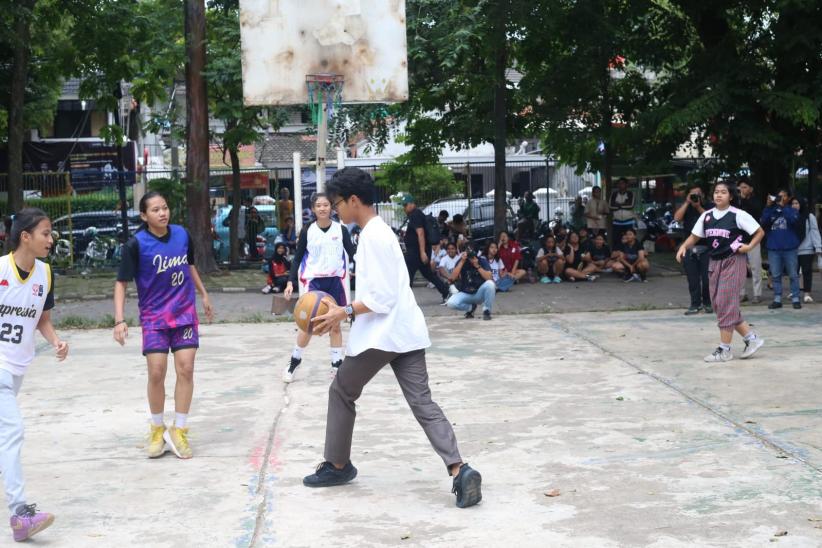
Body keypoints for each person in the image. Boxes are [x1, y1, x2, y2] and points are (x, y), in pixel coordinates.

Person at [303, 168, 482, 509]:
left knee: (341, 391)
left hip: (382, 335)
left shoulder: (373, 236)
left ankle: (338, 465)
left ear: (353, 200)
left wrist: (344, 311)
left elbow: (381, 298)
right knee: (423, 403)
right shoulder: (380, 231)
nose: (335, 210)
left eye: (337, 204)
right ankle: (460, 470)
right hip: (406, 332)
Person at [113, 191, 214, 459]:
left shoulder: (182, 235)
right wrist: (119, 320)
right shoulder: (135, 245)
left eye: (165, 208)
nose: (162, 213)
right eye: (155, 210)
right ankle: (157, 428)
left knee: (186, 368)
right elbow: (121, 283)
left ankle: (179, 429)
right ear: (144, 216)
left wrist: (203, 294)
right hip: (155, 318)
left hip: (184, 314)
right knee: (156, 372)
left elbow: (189, 266)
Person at [0, 208, 68, 542]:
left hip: (17, 368)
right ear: (25, 237)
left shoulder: (45, 274)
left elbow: (42, 319)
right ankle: (20, 514)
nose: (50, 239)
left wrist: (55, 341)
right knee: (13, 431)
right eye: (45, 233)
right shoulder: (1, 270)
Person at [676, 180, 765, 362]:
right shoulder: (706, 216)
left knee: (725, 303)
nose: (719, 195)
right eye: (716, 192)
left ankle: (725, 349)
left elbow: (759, 232)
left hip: (733, 260)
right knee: (719, 304)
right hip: (714, 262)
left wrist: (749, 247)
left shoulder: (738, 215)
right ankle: (751, 338)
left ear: (731, 196)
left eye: (723, 192)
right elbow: (694, 236)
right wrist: (683, 247)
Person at [282, 193, 356, 382]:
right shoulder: (308, 230)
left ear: (331, 207)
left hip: (335, 282)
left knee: (335, 324)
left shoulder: (341, 230)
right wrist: (290, 282)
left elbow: (353, 253)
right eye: (318, 205)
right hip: (314, 283)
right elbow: (297, 258)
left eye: (326, 205)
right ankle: (294, 361)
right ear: (313, 209)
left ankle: (336, 365)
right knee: (307, 325)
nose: (322, 208)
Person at [401, 195, 450, 303]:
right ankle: (446, 291)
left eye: (405, 205)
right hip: (418, 251)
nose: (404, 208)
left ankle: (405, 300)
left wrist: (422, 252)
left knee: (407, 274)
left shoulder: (415, 214)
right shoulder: (416, 214)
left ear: (412, 204)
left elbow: (421, 233)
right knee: (427, 273)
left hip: (416, 252)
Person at [674, 185, 713, 314]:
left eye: (698, 194)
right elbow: (677, 218)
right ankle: (695, 304)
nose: (695, 196)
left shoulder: (709, 206)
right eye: (692, 194)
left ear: (703, 195)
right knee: (693, 279)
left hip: (706, 247)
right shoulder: (686, 207)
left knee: (707, 279)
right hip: (689, 247)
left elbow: (710, 220)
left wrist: (698, 207)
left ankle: (707, 303)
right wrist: (687, 202)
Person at [761, 189, 802, 310]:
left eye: (783, 196)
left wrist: (783, 208)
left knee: (793, 274)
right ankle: (777, 299)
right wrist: (768, 206)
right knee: (775, 275)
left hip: (790, 248)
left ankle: (795, 298)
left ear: (788, 198)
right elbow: (763, 222)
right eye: (779, 196)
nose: (781, 198)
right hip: (774, 248)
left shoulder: (792, 210)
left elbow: (793, 220)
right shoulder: (771, 210)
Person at [446, 250, 496, 320]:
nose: (471, 257)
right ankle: (471, 308)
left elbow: (489, 278)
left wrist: (477, 266)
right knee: (451, 303)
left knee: (490, 284)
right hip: (466, 293)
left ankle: (487, 311)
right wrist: (462, 261)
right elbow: (452, 278)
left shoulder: (482, 261)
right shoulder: (462, 261)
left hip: (479, 293)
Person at [737, 178, 764, 303]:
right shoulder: (736, 201)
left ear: (751, 189)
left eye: (745, 187)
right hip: (739, 239)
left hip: (753, 239)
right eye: (740, 187)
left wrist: (743, 200)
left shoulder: (755, 201)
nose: (742, 190)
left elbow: (755, 213)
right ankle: (742, 293)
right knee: (740, 268)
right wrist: (740, 200)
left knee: (755, 267)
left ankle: (757, 294)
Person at [793, 197, 821, 303]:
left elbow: (814, 231)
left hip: (807, 249)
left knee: (807, 271)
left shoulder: (809, 216)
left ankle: (807, 293)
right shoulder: (790, 216)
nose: (794, 205)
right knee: (793, 272)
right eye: (793, 203)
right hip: (793, 249)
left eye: (797, 203)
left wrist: (818, 247)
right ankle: (794, 291)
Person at [609, 178, 636, 244]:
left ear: (626, 184)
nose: (620, 185)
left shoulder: (631, 194)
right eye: (619, 183)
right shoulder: (614, 194)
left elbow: (630, 206)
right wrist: (624, 203)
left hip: (628, 221)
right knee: (616, 240)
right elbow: (611, 206)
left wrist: (618, 205)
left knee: (629, 240)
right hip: (616, 222)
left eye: (622, 183)